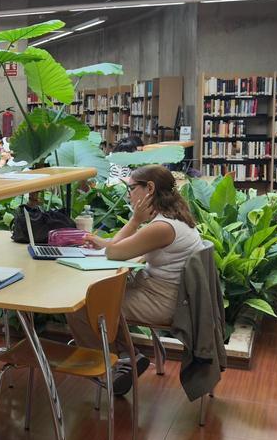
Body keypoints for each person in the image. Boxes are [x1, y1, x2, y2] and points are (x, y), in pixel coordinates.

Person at [68, 164, 204, 395]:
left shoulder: (162, 227)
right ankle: (127, 358)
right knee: (103, 297)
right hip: (166, 293)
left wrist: (134, 221)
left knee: (82, 307)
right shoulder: (172, 218)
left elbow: (115, 253)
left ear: (149, 188)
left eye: (131, 188)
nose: (129, 194)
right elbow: (117, 249)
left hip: (164, 301)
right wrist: (105, 244)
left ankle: (109, 370)